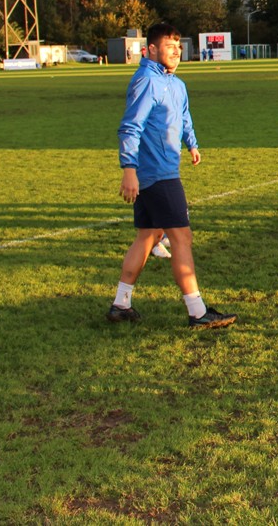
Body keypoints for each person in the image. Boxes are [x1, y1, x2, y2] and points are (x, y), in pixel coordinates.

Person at [108, 22, 236, 329]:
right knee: (182, 237)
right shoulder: (147, 81)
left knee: (147, 236)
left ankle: (121, 304)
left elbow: (183, 115)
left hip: (161, 170)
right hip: (157, 174)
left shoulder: (175, 83)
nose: (176, 51)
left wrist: (191, 143)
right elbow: (130, 127)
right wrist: (129, 170)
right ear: (151, 50)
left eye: (178, 46)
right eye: (169, 46)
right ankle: (197, 311)